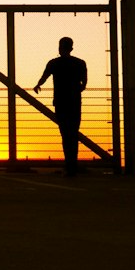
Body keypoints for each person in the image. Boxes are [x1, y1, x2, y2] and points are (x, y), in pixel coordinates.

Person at [34, 37, 87, 176]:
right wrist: (76, 90)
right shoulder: (80, 63)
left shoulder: (53, 63)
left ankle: (69, 165)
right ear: (72, 48)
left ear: (59, 47)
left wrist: (38, 85)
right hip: (74, 102)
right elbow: (84, 83)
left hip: (61, 101)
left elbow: (44, 77)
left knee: (65, 134)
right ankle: (72, 165)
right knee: (73, 133)